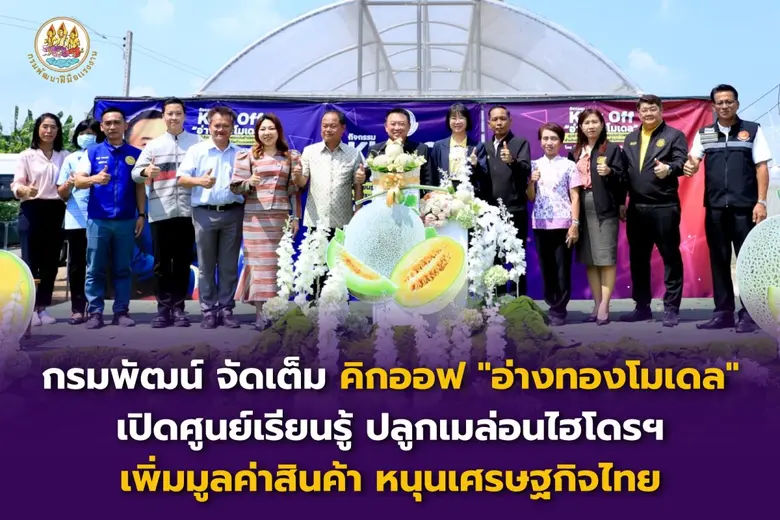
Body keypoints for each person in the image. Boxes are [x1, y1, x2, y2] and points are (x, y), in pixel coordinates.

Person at [685, 84, 773, 333]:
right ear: (713, 106)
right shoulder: (704, 133)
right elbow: (693, 160)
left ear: (737, 104)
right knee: (719, 260)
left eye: (729, 101)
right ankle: (722, 313)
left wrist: (761, 202)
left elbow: (761, 167)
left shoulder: (752, 130)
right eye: (720, 102)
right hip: (715, 209)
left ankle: (750, 314)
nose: (724, 106)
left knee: (748, 263)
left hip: (745, 208)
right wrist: (690, 166)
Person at [619, 94, 688, 327]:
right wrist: (622, 202)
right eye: (644, 110)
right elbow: (624, 173)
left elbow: (682, 163)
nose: (648, 113)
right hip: (636, 209)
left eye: (652, 109)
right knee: (638, 259)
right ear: (638, 113)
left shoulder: (674, 135)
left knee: (671, 257)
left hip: (664, 207)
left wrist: (669, 168)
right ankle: (642, 307)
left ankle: (671, 308)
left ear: (661, 110)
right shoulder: (630, 138)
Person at [75, 107, 147, 329]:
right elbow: (78, 181)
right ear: (102, 127)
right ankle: (95, 312)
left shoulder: (136, 154)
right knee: (94, 269)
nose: (113, 126)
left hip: (126, 220)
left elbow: (140, 187)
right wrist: (95, 179)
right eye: (108, 123)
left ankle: (121, 312)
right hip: (98, 220)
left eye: (117, 122)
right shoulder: (92, 152)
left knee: (123, 268)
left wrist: (141, 214)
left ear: (125, 126)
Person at [132, 97, 200, 328]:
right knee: (161, 264)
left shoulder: (196, 143)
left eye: (178, 113)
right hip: (160, 213)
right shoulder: (154, 146)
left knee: (181, 263)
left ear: (184, 116)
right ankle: (163, 310)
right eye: (170, 113)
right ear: (163, 116)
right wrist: (145, 171)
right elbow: (135, 174)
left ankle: (179, 309)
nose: (174, 117)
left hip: (188, 213)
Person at [231, 114, 302, 329]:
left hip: (280, 218)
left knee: (277, 266)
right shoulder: (247, 156)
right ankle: (260, 314)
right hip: (254, 219)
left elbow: (294, 190)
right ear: (257, 133)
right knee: (258, 266)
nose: (267, 133)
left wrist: (295, 217)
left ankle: (276, 313)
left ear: (278, 131)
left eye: (271, 128)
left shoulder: (290, 157)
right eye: (262, 129)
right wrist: (249, 183)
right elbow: (235, 186)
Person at [177, 105, 244, 329]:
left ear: (232, 128)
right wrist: (200, 181)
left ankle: (226, 309)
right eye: (217, 125)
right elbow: (181, 179)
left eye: (226, 125)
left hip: (233, 213)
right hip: (204, 213)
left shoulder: (241, 153)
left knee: (228, 266)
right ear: (209, 126)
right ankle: (208, 311)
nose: (221, 129)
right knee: (206, 265)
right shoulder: (197, 151)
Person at [298, 109, 366, 295]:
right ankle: (314, 306)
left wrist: (358, 211)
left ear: (342, 128)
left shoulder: (354, 154)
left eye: (332, 126)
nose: (327, 129)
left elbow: (358, 186)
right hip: (316, 221)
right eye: (324, 126)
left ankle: (338, 307)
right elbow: (302, 183)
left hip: (342, 221)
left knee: (338, 269)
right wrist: (296, 176)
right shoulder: (310, 152)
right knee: (315, 268)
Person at [568, 109, 626, 324]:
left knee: (606, 259)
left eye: (595, 122)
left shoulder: (611, 149)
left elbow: (623, 178)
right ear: (580, 127)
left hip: (605, 208)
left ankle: (604, 305)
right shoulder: (575, 152)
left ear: (602, 125)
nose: (591, 126)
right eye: (586, 123)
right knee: (590, 260)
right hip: (580, 208)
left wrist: (610, 172)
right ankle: (596, 302)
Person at [11, 113, 69, 326]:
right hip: (31, 209)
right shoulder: (27, 155)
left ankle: (43, 307)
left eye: (53, 127)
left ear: (58, 131)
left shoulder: (65, 156)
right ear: (38, 129)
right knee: (30, 262)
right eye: (45, 126)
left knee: (51, 263)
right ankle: (29, 311)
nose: (49, 131)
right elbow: (17, 184)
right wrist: (25, 190)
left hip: (56, 210)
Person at [526, 123, 581, 325]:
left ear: (561, 142)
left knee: (562, 268)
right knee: (546, 268)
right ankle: (551, 304)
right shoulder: (534, 165)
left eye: (554, 138)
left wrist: (574, 224)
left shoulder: (569, 165)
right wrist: (531, 182)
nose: (549, 142)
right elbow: (531, 197)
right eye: (545, 138)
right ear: (540, 141)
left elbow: (575, 197)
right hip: (540, 224)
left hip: (563, 224)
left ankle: (560, 309)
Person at [478, 105, 532, 296]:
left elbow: (526, 170)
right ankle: (497, 299)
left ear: (510, 121)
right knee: (495, 258)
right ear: (488, 123)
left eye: (502, 119)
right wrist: (474, 166)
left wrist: (512, 161)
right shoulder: (484, 147)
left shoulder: (520, 143)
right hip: (490, 213)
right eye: (495, 119)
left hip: (515, 210)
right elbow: (481, 177)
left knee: (517, 257)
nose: (499, 123)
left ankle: (519, 299)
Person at [56, 118, 103, 325]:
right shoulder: (71, 159)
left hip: (101, 216)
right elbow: (61, 193)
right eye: (83, 133)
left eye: (91, 133)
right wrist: (68, 184)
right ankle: (77, 309)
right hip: (76, 218)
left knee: (97, 265)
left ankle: (96, 309)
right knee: (76, 265)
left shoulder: (103, 154)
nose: (86, 137)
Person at [365, 107, 432, 194]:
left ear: (409, 127)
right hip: (382, 200)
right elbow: (365, 176)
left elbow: (429, 181)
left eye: (401, 124)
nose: (397, 128)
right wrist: (361, 175)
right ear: (386, 127)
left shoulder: (421, 149)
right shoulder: (374, 150)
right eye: (393, 124)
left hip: (412, 200)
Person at [429, 103, 487, 192]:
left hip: (469, 193)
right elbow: (432, 174)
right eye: (453, 118)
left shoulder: (477, 146)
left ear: (467, 121)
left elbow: (484, 176)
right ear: (448, 121)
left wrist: (476, 165)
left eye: (461, 118)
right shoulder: (439, 146)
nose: (457, 122)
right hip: (444, 193)